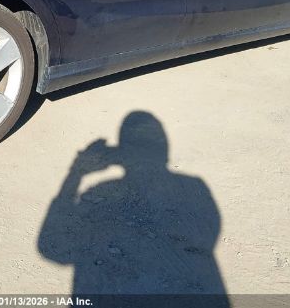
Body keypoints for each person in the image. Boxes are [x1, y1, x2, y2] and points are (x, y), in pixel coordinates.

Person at [38, 111, 228, 304]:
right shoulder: (194, 185)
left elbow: (52, 248)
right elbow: (206, 233)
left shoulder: (101, 189)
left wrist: (76, 173)